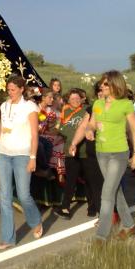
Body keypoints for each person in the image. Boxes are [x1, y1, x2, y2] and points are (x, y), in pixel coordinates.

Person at [0, 75, 43, 249]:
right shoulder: (4, 106)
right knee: (4, 197)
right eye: (8, 89)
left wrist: (33, 158)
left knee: (23, 195)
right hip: (3, 154)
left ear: (22, 89)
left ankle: (35, 220)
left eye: (13, 89)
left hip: (22, 155)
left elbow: (34, 135)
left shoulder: (30, 107)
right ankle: (8, 238)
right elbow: (1, 132)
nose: (10, 92)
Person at [86, 70, 135, 242]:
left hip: (119, 153)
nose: (101, 86)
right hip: (101, 152)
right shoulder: (97, 104)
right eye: (101, 83)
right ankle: (129, 225)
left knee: (107, 193)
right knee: (115, 191)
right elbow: (92, 123)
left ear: (115, 85)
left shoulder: (125, 104)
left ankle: (101, 235)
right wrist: (89, 130)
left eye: (105, 84)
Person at [56, 89, 95, 218]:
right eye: (72, 99)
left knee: (89, 180)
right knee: (70, 180)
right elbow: (61, 129)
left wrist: (78, 131)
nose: (75, 101)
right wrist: (72, 131)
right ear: (68, 100)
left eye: (77, 98)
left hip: (84, 151)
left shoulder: (86, 111)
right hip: (70, 151)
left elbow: (86, 128)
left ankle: (92, 207)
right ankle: (65, 208)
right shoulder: (64, 111)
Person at [68, 83, 104, 217]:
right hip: (93, 151)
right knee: (96, 184)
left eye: (103, 90)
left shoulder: (119, 106)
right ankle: (102, 214)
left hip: (111, 151)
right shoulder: (93, 108)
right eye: (99, 91)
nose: (101, 93)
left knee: (110, 184)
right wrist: (74, 143)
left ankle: (116, 212)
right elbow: (83, 126)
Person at [38, 88, 63, 176]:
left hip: (45, 133)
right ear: (43, 98)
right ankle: (45, 168)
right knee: (46, 144)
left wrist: (56, 129)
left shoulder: (50, 110)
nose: (52, 99)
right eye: (50, 97)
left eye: (53, 98)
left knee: (59, 142)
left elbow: (57, 124)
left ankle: (58, 171)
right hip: (36, 134)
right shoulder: (36, 108)